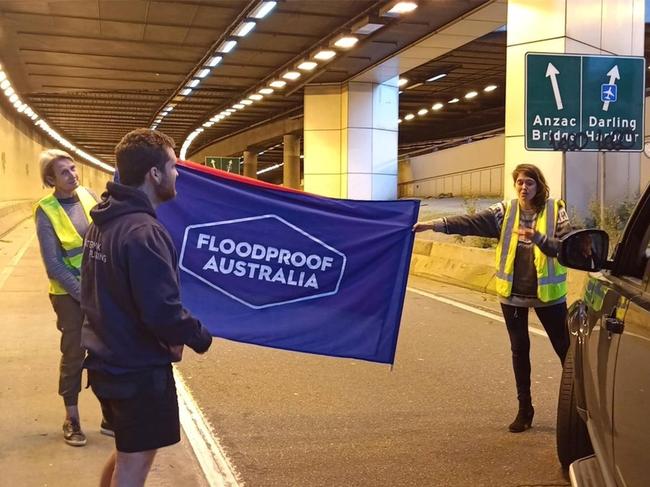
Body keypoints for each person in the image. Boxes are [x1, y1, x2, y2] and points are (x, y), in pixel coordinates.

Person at [80, 129, 213, 486]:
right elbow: (162, 312)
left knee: (127, 453)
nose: (178, 173)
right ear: (154, 174)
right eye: (173, 166)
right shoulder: (143, 232)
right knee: (134, 467)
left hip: (107, 362)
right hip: (135, 371)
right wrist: (199, 336)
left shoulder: (103, 222)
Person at [414, 163, 571, 433]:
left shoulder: (556, 210)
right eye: (520, 182)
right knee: (519, 350)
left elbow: (566, 248)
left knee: (566, 352)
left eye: (529, 183)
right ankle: (525, 409)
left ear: (539, 185)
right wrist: (432, 224)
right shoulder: (506, 211)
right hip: (512, 295)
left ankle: (581, 410)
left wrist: (539, 239)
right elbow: (470, 222)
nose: (524, 187)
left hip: (549, 296)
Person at [35, 149, 110, 446]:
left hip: (99, 290)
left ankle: (109, 415)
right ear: (50, 178)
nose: (73, 174)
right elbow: (53, 264)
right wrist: (84, 296)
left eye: (73, 168)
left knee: (106, 351)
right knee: (75, 355)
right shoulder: (46, 210)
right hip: (69, 295)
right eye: (64, 172)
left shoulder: (89, 196)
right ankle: (72, 418)